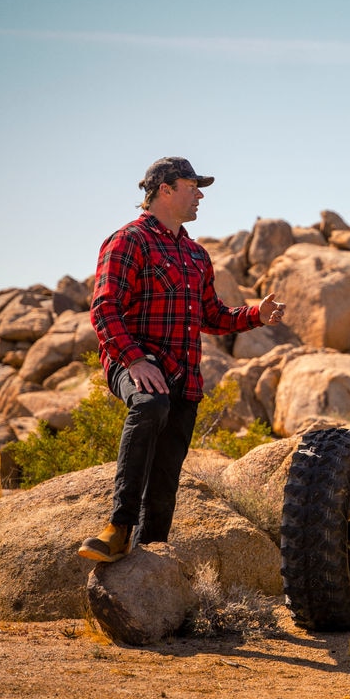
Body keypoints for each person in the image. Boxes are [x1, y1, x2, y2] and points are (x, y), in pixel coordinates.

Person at [78, 157, 286, 563]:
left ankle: (151, 557)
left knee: (167, 474)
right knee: (148, 404)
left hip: (185, 380)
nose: (200, 195)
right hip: (135, 362)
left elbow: (212, 315)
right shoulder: (128, 240)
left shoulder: (196, 254)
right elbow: (104, 309)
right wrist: (135, 360)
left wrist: (254, 316)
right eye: (193, 186)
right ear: (164, 190)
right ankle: (118, 527)